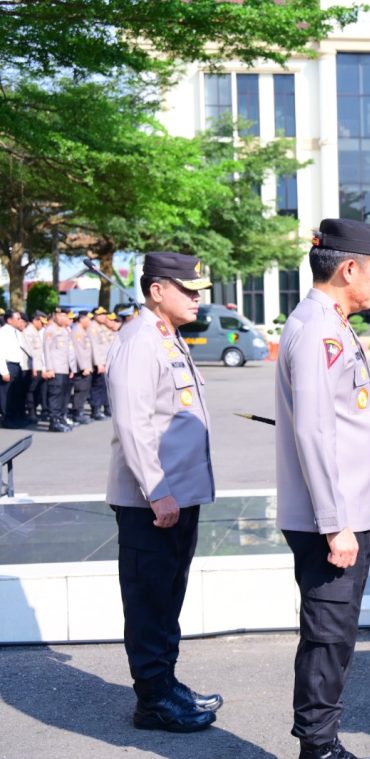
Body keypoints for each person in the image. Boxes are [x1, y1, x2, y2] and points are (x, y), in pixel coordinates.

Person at [275, 218, 370, 759]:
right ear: (349, 268)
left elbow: (336, 415)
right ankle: (318, 748)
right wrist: (334, 524)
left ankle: (321, 740)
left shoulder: (334, 322)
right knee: (328, 634)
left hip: (348, 510)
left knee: (338, 631)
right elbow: (313, 430)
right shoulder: (319, 329)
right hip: (334, 519)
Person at [105, 252, 219, 733]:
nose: (197, 298)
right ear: (157, 290)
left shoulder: (165, 336)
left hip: (179, 496)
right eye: (188, 290)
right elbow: (133, 424)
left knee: (168, 597)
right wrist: (157, 493)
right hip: (153, 502)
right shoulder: (138, 340)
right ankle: (151, 701)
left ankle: (166, 683)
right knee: (149, 600)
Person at [42, 307, 78, 432]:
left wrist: (72, 368)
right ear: (54, 315)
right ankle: (54, 421)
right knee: (55, 395)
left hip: (64, 369)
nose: (62, 318)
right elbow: (47, 350)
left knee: (63, 395)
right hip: (56, 369)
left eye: (64, 315)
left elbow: (69, 352)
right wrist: (49, 368)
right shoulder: (51, 330)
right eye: (60, 315)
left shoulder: (64, 330)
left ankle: (60, 417)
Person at [0, 310, 31, 427]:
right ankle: (6, 418)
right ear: (9, 320)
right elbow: (1, 353)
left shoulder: (16, 332)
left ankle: (14, 417)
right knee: (6, 394)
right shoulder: (3, 332)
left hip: (17, 366)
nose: (20, 321)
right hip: (8, 366)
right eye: (18, 319)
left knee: (14, 394)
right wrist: (4, 371)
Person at [89, 305, 115, 419]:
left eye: (105, 314)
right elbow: (95, 347)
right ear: (95, 316)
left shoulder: (101, 327)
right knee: (97, 387)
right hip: (99, 363)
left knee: (104, 387)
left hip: (105, 362)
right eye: (101, 314)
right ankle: (96, 410)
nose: (104, 316)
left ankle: (104, 408)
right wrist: (98, 363)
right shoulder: (93, 327)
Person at [69, 310, 95, 424]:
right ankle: (77, 412)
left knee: (84, 390)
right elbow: (79, 350)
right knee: (80, 390)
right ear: (82, 319)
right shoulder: (77, 331)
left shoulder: (82, 331)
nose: (89, 321)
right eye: (88, 319)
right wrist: (84, 367)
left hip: (86, 366)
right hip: (82, 367)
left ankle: (79, 411)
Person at [23, 311, 48, 423]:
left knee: (36, 391)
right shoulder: (29, 332)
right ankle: (31, 413)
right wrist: (33, 368)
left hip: (38, 367)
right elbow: (29, 353)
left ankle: (33, 412)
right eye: (41, 323)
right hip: (33, 367)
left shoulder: (36, 332)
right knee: (30, 391)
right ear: (36, 320)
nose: (43, 325)